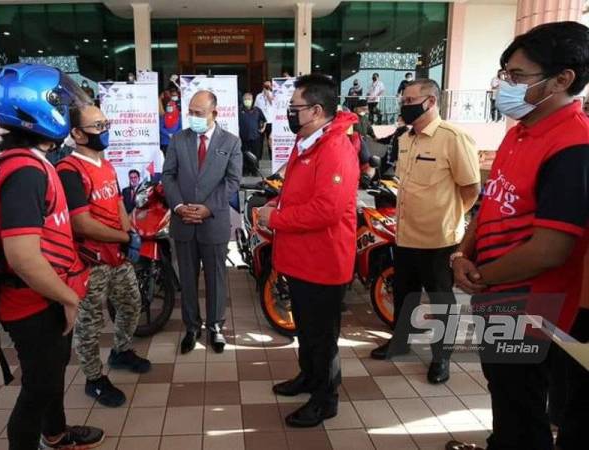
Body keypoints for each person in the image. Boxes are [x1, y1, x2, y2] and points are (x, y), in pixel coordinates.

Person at [446, 22, 589, 450]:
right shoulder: (517, 134)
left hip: (536, 304)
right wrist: (461, 254)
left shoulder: (574, 147)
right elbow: (491, 205)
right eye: (504, 74)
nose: (503, 86)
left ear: (562, 79)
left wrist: (482, 276)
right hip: (497, 292)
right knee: (505, 395)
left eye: (516, 76)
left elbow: (550, 249)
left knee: (523, 407)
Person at [0, 63, 104, 449]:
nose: (73, 113)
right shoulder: (25, 172)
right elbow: (22, 257)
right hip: (32, 302)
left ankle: (56, 434)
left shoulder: (31, 161)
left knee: (53, 377)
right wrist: (69, 298)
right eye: (65, 104)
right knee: (38, 389)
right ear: (42, 108)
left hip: (45, 296)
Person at [258, 74, 360, 428]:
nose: (289, 114)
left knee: (323, 338)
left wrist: (277, 218)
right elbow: (297, 194)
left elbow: (327, 210)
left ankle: (325, 398)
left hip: (323, 262)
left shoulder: (334, 149)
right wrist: (275, 205)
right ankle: (308, 377)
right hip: (302, 259)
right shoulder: (309, 143)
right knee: (306, 331)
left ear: (316, 110)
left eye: (294, 108)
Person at [370, 79, 481, 385]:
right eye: (403, 98)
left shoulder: (453, 138)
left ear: (430, 102)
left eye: (409, 99)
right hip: (405, 234)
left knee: (441, 301)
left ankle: (441, 358)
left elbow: (471, 188)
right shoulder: (406, 138)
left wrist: (449, 216)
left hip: (439, 239)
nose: (404, 104)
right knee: (404, 294)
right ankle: (400, 341)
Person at [56, 104, 151, 408]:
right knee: (89, 324)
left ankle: (120, 351)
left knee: (131, 304)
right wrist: (125, 237)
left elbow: (118, 204)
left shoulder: (106, 164)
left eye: (105, 123)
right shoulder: (69, 170)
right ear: (76, 133)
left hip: (117, 256)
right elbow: (81, 223)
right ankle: (94, 379)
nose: (105, 130)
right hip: (90, 262)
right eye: (97, 126)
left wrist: (129, 231)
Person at [162, 91, 242, 355]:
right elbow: (169, 175)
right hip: (183, 220)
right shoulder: (178, 139)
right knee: (187, 277)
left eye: (199, 113)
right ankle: (191, 327)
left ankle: (215, 327)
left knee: (216, 278)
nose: (193, 117)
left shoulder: (230, 142)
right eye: (191, 112)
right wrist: (179, 206)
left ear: (214, 114)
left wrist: (208, 208)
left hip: (213, 221)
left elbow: (231, 181)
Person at [239, 92, 267, 174]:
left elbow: (264, 120)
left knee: (255, 154)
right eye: (245, 99)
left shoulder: (257, 110)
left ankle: (255, 170)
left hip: (255, 136)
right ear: (243, 100)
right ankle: (246, 170)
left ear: (252, 100)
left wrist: (263, 128)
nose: (247, 101)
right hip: (244, 137)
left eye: (249, 99)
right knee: (245, 154)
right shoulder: (239, 110)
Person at [255, 80, 275, 158]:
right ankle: (258, 157)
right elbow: (255, 108)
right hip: (261, 121)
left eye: (268, 86)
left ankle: (272, 158)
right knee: (259, 141)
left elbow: (273, 104)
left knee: (270, 140)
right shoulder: (258, 96)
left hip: (271, 121)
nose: (267, 88)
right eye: (265, 86)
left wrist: (268, 95)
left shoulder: (273, 95)